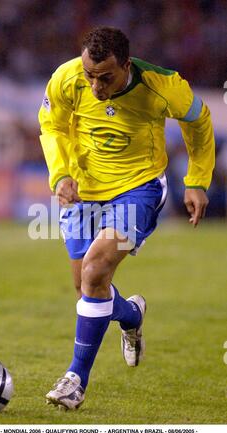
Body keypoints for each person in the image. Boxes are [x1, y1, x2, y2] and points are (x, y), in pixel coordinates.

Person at [38, 27, 215, 410]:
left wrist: (197, 180)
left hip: (138, 189)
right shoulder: (67, 78)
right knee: (87, 285)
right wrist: (61, 173)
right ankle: (131, 313)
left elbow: (199, 120)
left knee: (96, 268)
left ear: (126, 65)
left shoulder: (162, 86)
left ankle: (74, 381)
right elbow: (51, 125)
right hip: (85, 190)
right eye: (90, 76)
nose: (96, 86)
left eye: (105, 77)